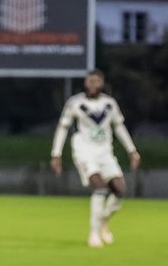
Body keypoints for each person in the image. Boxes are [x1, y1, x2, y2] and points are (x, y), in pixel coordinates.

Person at [50, 69, 141, 247]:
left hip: (105, 152)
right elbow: (63, 127)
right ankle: (93, 234)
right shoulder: (75, 103)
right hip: (84, 151)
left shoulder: (109, 104)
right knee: (99, 188)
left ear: (102, 83)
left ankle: (103, 222)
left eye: (96, 81)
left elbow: (119, 127)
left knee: (119, 190)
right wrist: (56, 154)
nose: (93, 84)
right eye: (90, 81)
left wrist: (132, 150)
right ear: (85, 83)